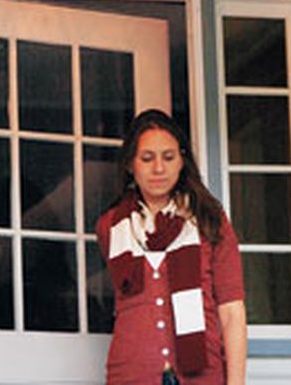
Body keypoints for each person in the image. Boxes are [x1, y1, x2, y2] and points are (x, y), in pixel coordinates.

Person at [96, 109, 247, 385]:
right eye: (147, 158)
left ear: (181, 162)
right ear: (131, 164)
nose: (158, 169)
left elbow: (232, 313)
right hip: (131, 374)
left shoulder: (210, 220)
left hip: (201, 375)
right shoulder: (111, 226)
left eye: (168, 157)